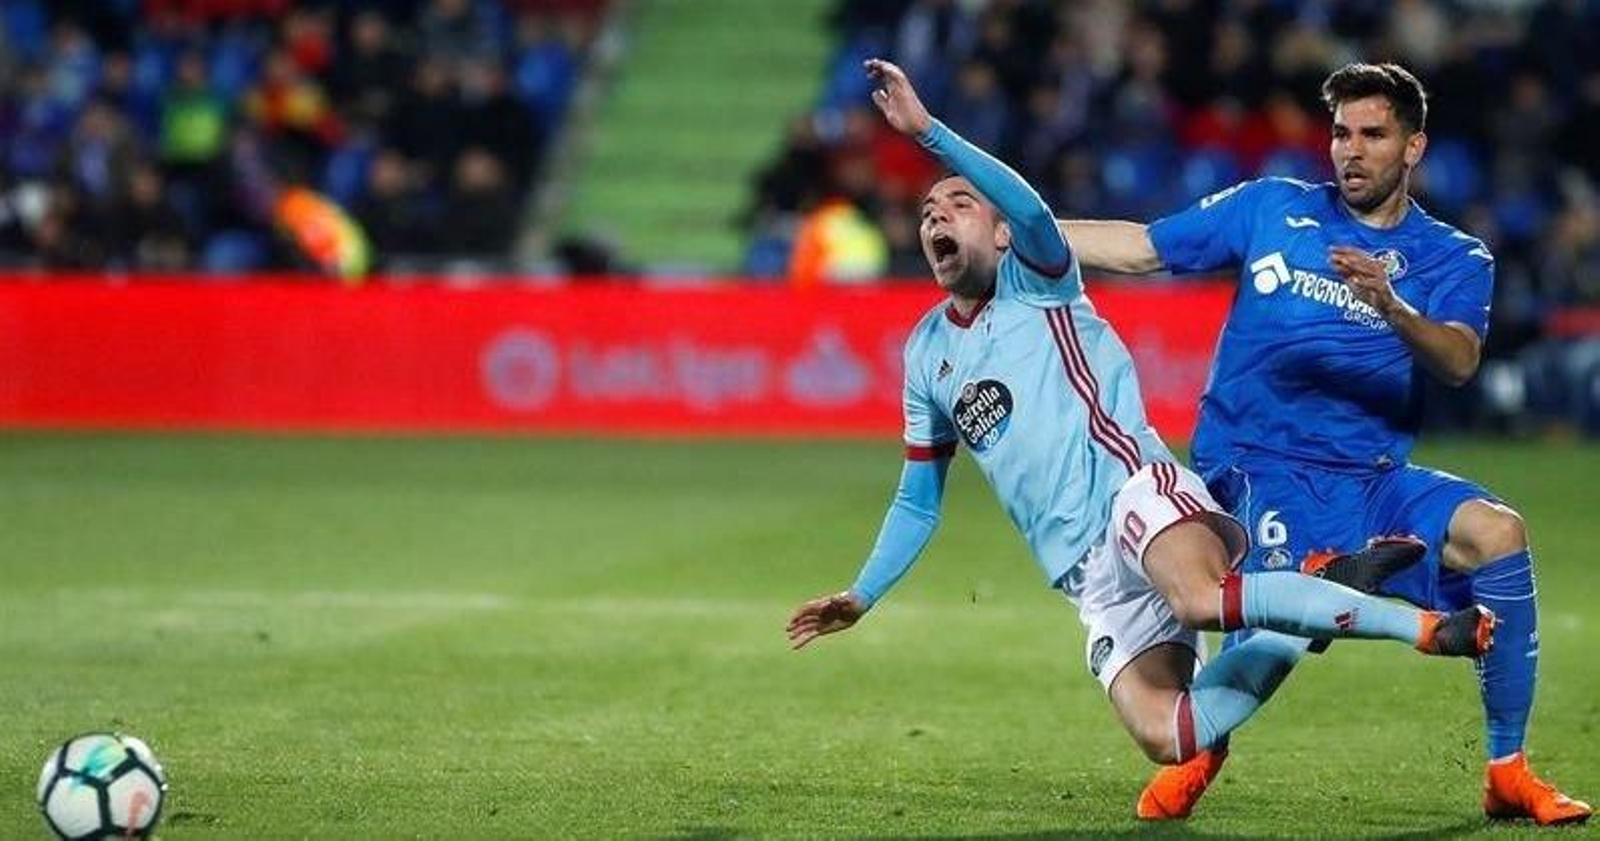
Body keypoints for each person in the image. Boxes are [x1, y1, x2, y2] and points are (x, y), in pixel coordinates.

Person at [787, 58, 1494, 809]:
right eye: (928, 210)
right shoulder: (927, 353)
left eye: (959, 202)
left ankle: (1421, 627)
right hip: (1084, 569)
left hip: (1138, 491)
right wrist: (863, 593)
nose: (937, 215)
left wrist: (929, 135)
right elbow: (918, 499)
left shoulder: (1039, 275)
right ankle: (1316, 596)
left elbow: (1027, 209)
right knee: (1173, 732)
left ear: (1000, 232)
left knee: (1199, 599)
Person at [1057, 62, 1591, 826]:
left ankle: (1507, 769)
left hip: (1373, 475)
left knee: (1498, 532)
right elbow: (1144, 246)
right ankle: (1207, 738)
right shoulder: (1275, 206)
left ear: (1413, 147)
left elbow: (1459, 360)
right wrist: (1021, 231)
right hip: (1255, 467)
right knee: (1284, 610)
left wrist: (1392, 303)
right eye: (1342, 132)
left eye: (1373, 134)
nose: (1351, 150)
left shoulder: (1455, 256)